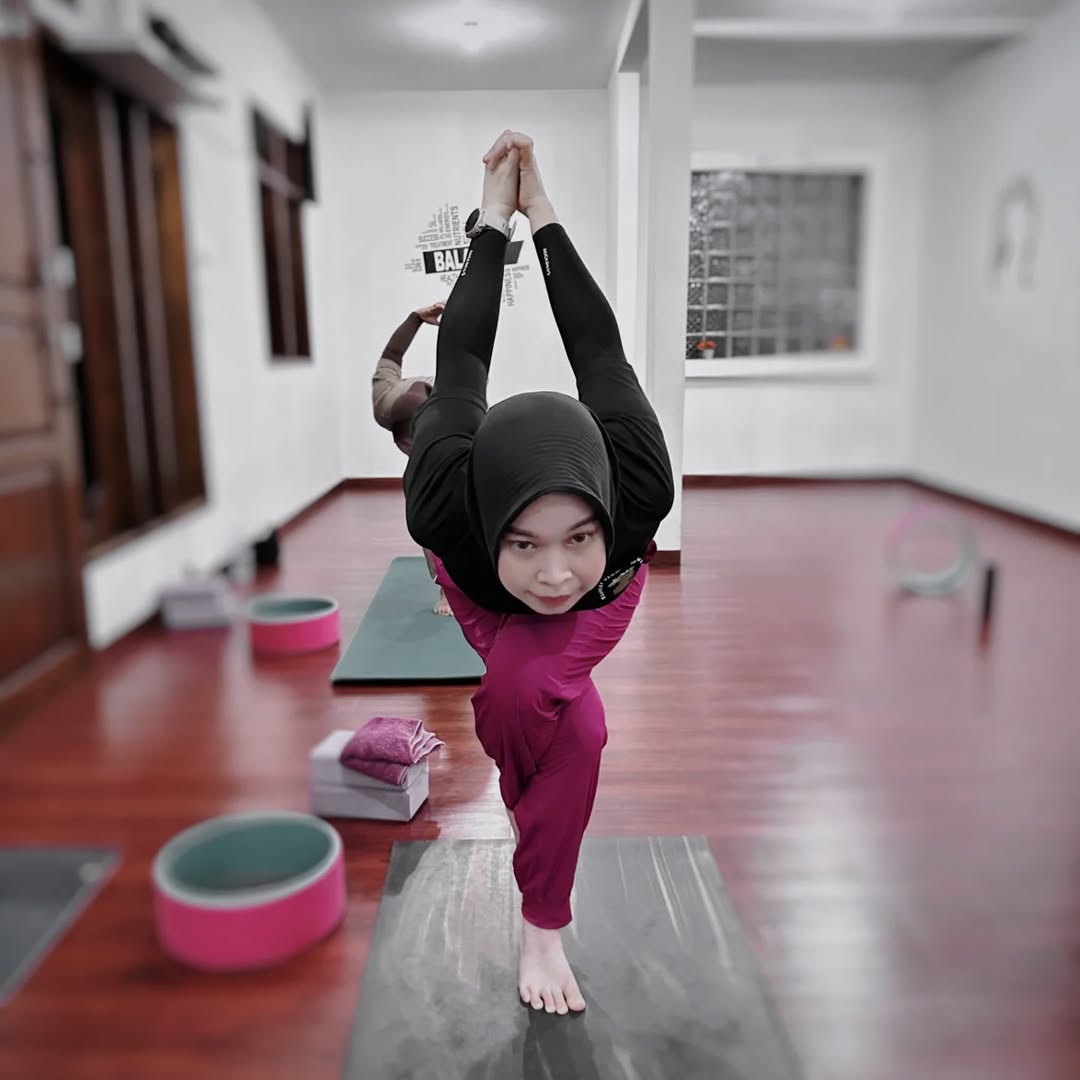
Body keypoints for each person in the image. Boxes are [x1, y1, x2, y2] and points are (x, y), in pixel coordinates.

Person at [403, 130, 675, 1016]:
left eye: (575, 537)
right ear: (492, 525)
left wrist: (539, 210)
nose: (555, 575)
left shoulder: (638, 482)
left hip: (612, 597)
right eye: (527, 542)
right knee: (577, 732)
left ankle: (541, 918)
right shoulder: (443, 495)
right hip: (476, 592)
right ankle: (542, 870)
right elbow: (463, 353)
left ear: (606, 516)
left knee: (528, 693)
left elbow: (595, 342)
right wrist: (491, 220)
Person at [371, 301, 454, 617]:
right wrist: (415, 319)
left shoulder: (454, 404)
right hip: (430, 418)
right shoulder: (384, 400)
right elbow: (393, 354)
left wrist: (452, 319)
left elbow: (467, 354)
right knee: (429, 517)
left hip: (452, 416)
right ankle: (449, 587)